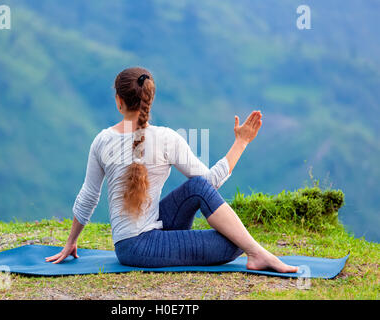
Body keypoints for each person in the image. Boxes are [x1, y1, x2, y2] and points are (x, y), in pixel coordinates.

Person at [45, 67, 298, 273]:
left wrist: (71, 242)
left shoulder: (102, 140)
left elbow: (88, 196)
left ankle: (256, 252)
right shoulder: (167, 137)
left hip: (132, 242)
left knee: (201, 192)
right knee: (234, 244)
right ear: (149, 99)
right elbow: (213, 181)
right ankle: (257, 253)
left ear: (119, 101)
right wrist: (241, 143)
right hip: (139, 247)